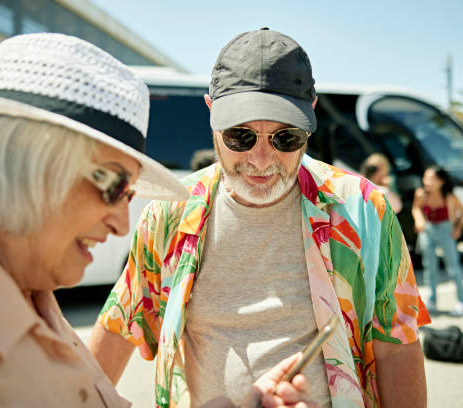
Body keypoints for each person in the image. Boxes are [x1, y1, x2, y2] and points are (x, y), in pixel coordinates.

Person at [0, 33, 314, 408]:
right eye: (110, 183)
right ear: (15, 166)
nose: (123, 226)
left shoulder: (35, 294)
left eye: (129, 195)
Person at [90, 28, 430, 408]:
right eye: (240, 136)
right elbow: (117, 329)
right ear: (210, 113)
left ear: (311, 115)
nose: (262, 160)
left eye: (285, 138)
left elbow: (397, 348)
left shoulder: (364, 209)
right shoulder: (171, 213)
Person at [412, 165, 463, 316]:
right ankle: (431, 300)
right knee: (429, 267)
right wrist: (419, 220)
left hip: (445, 230)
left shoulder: (448, 196)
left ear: (442, 181)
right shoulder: (421, 193)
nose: (427, 182)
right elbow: (416, 208)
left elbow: (461, 211)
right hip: (428, 230)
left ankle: (461, 302)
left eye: (432, 179)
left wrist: (458, 228)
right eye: (426, 178)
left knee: (453, 266)